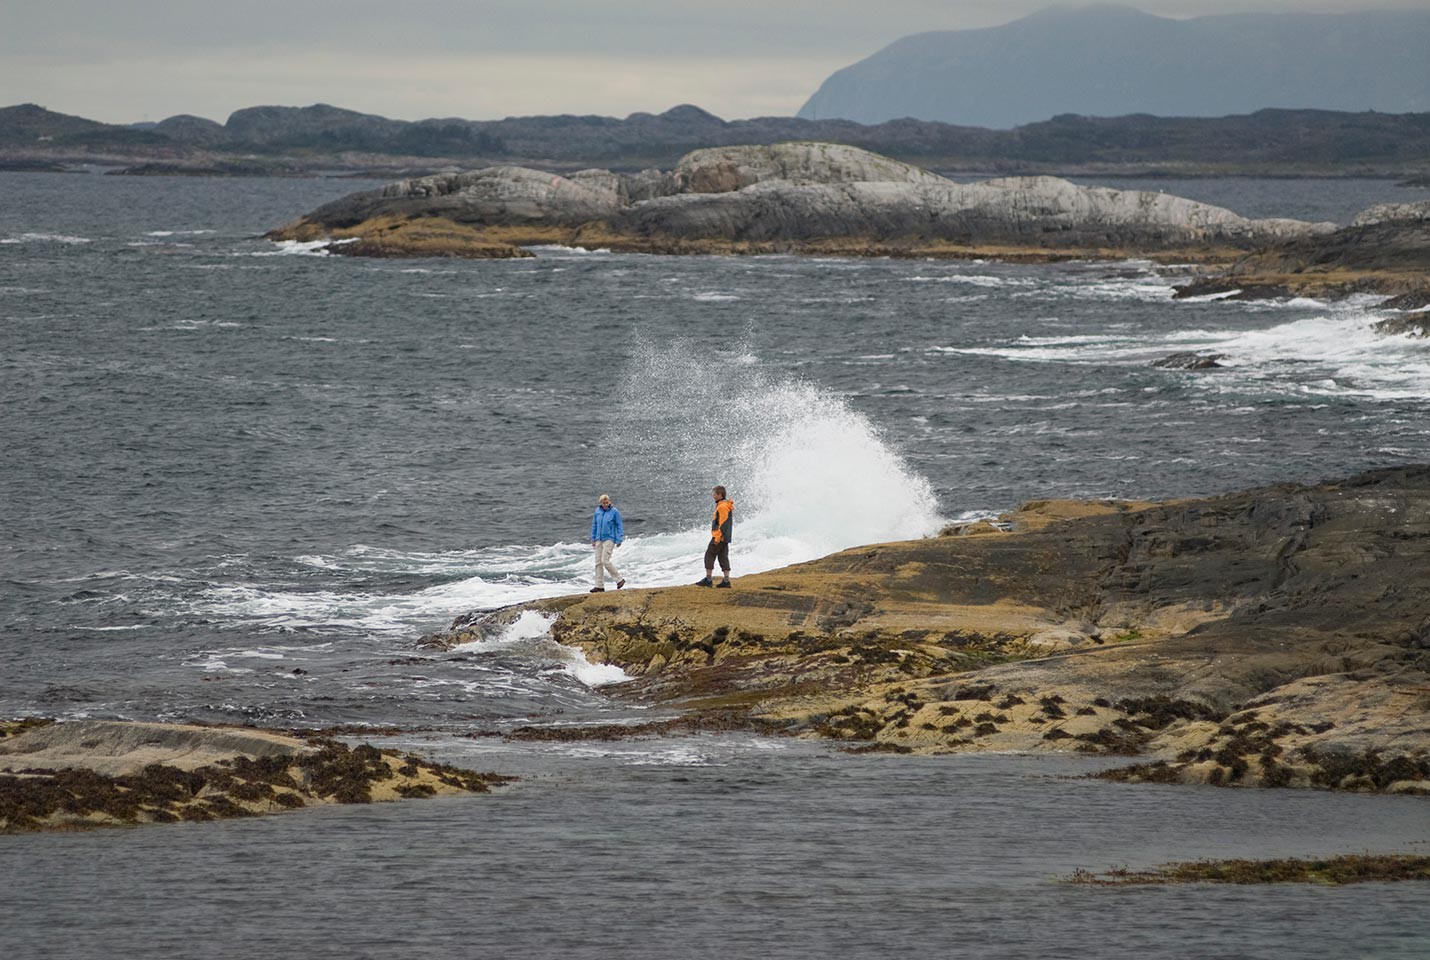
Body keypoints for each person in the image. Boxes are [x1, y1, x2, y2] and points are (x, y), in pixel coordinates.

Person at [696, 485, 733, 588]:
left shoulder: (722, 506)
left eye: (715, 494)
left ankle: (708, 579)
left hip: (719, 537)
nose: (713, 496)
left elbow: (723, 523)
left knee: (709, 555)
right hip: (725, 538)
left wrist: (717, 538)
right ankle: (726, 581)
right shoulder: (725, 504)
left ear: (720, 495)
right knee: (723, 557)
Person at [590, 493, 625, 592]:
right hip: (598, 539)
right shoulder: (597, 511)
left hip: (609, 539)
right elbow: (594, 525)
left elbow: (619, 525)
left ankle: (619, 580)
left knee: (605, 560)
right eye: (603, 503)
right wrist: (593, 538)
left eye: (607, 502)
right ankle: (599, 586)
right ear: (600, 503)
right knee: (598, 562)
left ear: (609, 502)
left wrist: (619, 538)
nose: (605, 504)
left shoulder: (614, 512)